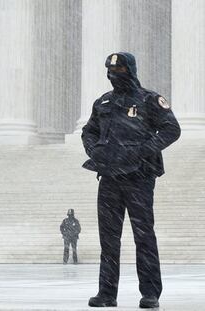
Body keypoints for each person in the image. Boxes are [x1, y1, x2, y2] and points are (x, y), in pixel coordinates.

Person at [81, 52, 180, 308]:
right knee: (108, 239)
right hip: (110, 177)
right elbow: (88, 131)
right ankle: (106, 293)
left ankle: (150, 294)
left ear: (130, 70)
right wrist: (94, 151)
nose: (114, 75)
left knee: (143, 236)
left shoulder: (149, 100)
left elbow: (172, 129)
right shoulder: (102, 102)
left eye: (120, 70)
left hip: (139, 177)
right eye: (111, 70)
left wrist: (142, 151)